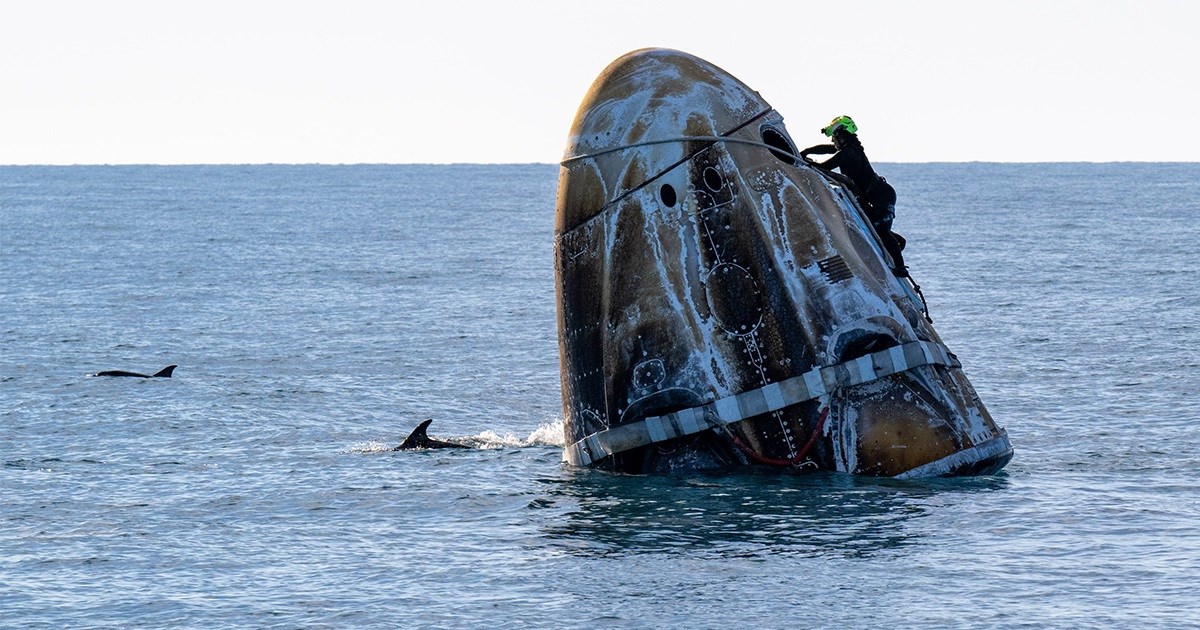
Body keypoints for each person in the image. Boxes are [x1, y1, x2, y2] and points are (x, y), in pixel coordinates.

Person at [800, 116, 908, 277]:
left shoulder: (849, 152)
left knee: (881, 230)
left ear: (841, 136)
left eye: (834, 137)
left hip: (882, 196)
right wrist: (806, 152)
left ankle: (901, 268)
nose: (832, 140)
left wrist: (806, 161)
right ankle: (897, 240)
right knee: (872, 226)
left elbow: (826, 167)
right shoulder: (848, 149)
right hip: (871, 197)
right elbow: (828, 149)